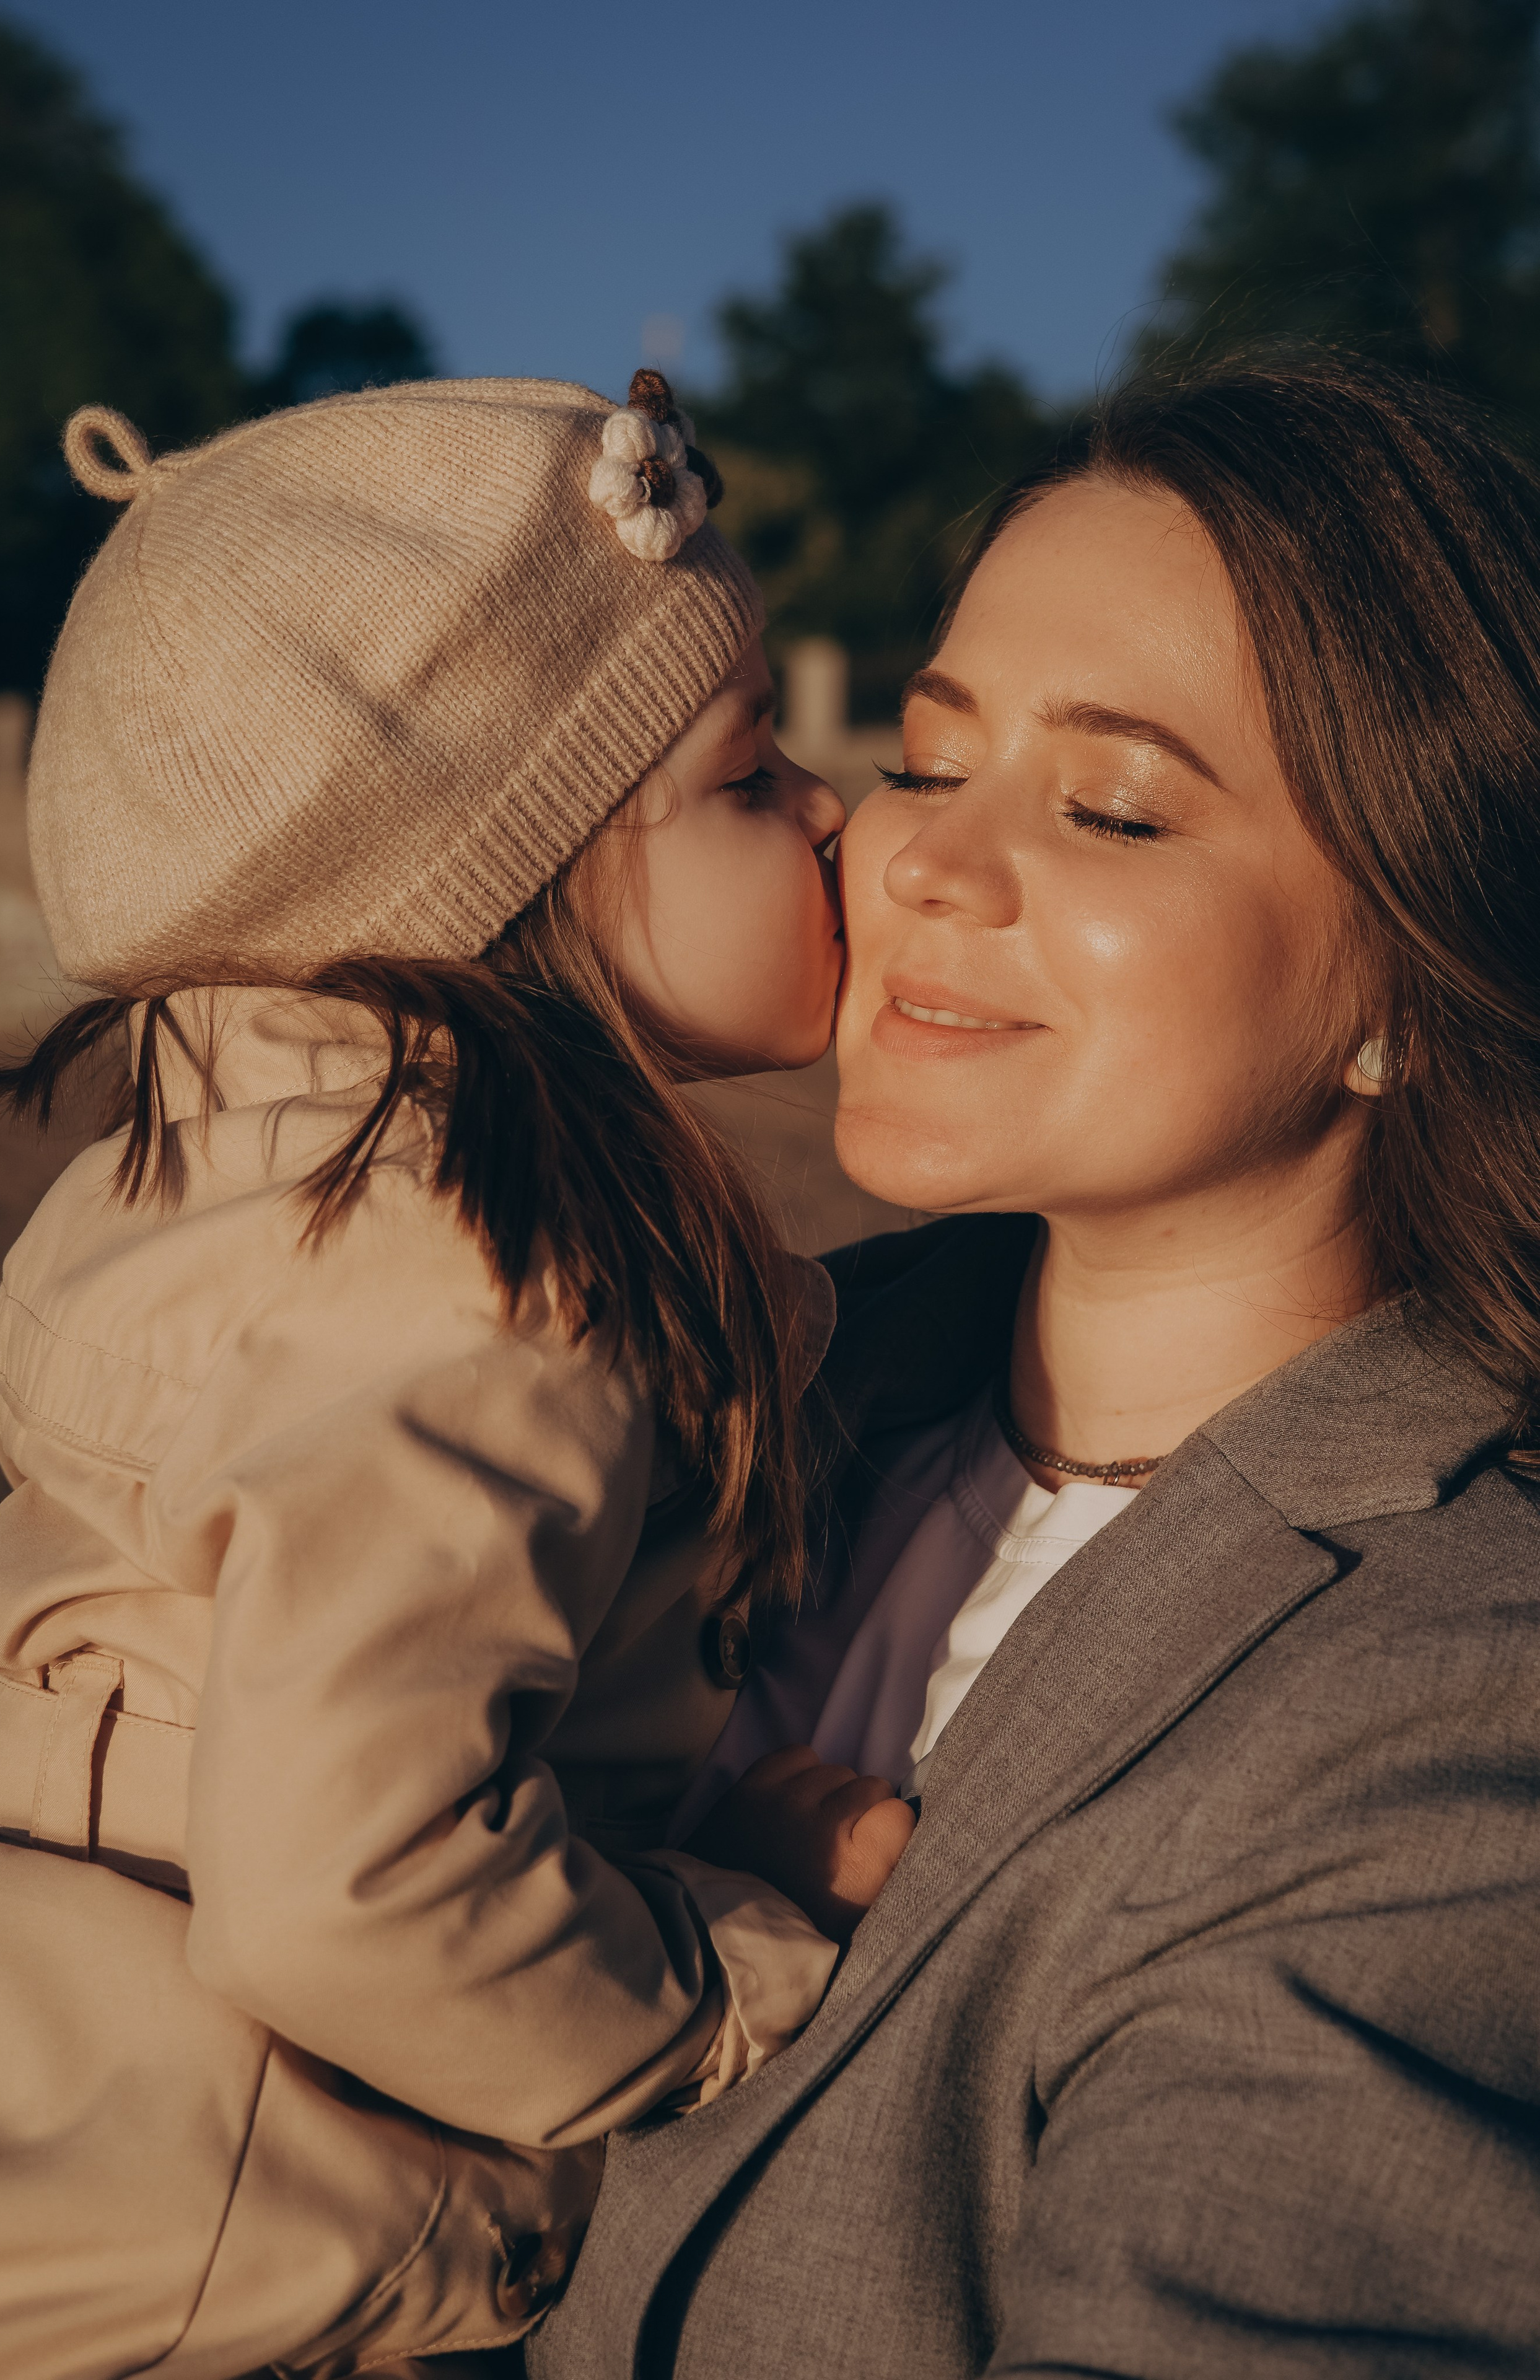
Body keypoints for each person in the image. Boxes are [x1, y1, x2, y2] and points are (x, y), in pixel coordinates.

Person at [530, 360, 1540, 2378]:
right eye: (927, 755)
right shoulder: (700, 1399)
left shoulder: (1460, 1714)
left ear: (1406, 995)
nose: (919, 861)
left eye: (1107, 805)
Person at [0, 372, 911, 2379]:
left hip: (92, 2098)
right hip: (265, 2221)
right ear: (506, 895)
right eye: (749, 780)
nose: (835, 806)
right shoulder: (483, 1290)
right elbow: (346, 1888)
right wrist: (717, 1975)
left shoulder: (242, 1184)